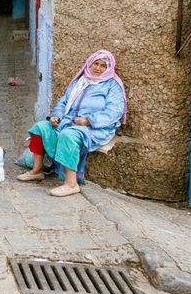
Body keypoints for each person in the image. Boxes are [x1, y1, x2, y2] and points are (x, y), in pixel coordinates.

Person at [20, 49, 127, 198]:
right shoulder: (81, 81)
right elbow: (64, 101)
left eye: (103, 66)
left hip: (95, 127)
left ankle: (71, 184)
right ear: (89, 63)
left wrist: (89, 120)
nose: (98, 68)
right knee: (41, 127)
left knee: (68, 136)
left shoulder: (112, 86)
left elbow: (114, 111)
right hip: (69, 121)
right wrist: (56, 115)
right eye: (96, 63)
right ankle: (37, 171)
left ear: (109, 69)